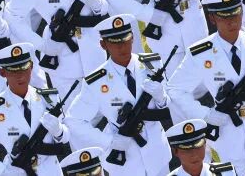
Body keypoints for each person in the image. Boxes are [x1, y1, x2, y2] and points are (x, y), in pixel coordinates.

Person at [165, 0, 245, 175]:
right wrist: (206, 115)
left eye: (235, 14)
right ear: (212, 18)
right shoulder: (201, 53)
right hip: (230, 134)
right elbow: (174, 90)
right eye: (224, 17)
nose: (232, 21)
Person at [65, 14, 171, 175]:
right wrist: (109, 141)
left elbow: (165, 106)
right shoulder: (96, 82)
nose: (122, 47)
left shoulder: (152, 64)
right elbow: (73, 120)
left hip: (157, 152)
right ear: (103, 45)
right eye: (115, 42)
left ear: (133, 38)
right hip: (126, 161)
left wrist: (161, 97)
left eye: (125, 40)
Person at [0, 42, 71, 176]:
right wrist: (1, 171)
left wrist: (59, 131)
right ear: (2, 72)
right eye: (13, 71)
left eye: (24, 68)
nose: (20, 75)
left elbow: (65, 139)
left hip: (51, 171)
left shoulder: (49, 99)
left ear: (31, 67)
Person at [165, 120, 235, 176]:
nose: (194, 154)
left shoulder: (226, 173)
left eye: (198, 147)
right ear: (175, 151)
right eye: (187, 150)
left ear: (204, 145)